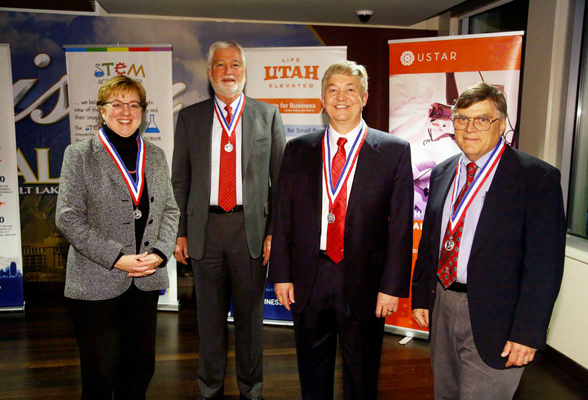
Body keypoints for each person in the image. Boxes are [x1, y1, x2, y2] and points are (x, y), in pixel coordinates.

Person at [269, 61, 414, 399]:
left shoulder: (394, 151)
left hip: (365, 280)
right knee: (312, 373)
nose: (341, 97)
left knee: (362, 377)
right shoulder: (299, 149)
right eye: (333, 89)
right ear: (322, 99)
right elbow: (283, 216)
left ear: (364, 97)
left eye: (350, 89)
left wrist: (392, 287)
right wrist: (281, 274)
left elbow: (402, 226)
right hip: (309, 277)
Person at [411, 82, 565, 400]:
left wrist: (528, 333)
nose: (470, 128)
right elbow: (430, 242)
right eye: (462, 119)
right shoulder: (442, 172)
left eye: (482, 119)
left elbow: (544, 267)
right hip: (442, 304)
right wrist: (421, 297)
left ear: (502, 124)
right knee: (446, 394)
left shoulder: (536, 179)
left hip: (498, 318)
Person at [171, 41, 285, 400]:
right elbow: (180, 180)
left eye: (235, 64)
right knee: (209, 320)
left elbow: (280, 182)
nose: (228, 71)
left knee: (251, 320)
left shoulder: (267, 115)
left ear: (245, 72)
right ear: (209, 73)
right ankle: (210, 390)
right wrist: (180, 233)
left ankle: (252, 391)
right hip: (205, 229)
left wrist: (273, 234)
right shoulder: (191, 118)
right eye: (220, 65)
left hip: (249, 231)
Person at [56, 75, 180, 399]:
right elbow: (67, 217)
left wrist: (160, 253)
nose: (125, 111)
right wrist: (117, 258)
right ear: (102, 110)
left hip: (145, 280)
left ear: (142, 111)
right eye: (117, 104)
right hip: (97, 282)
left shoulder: (155, 156)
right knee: (100, 373)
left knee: (140, 368)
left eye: (133, 104)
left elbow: (170, 211)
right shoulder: (79, 155)